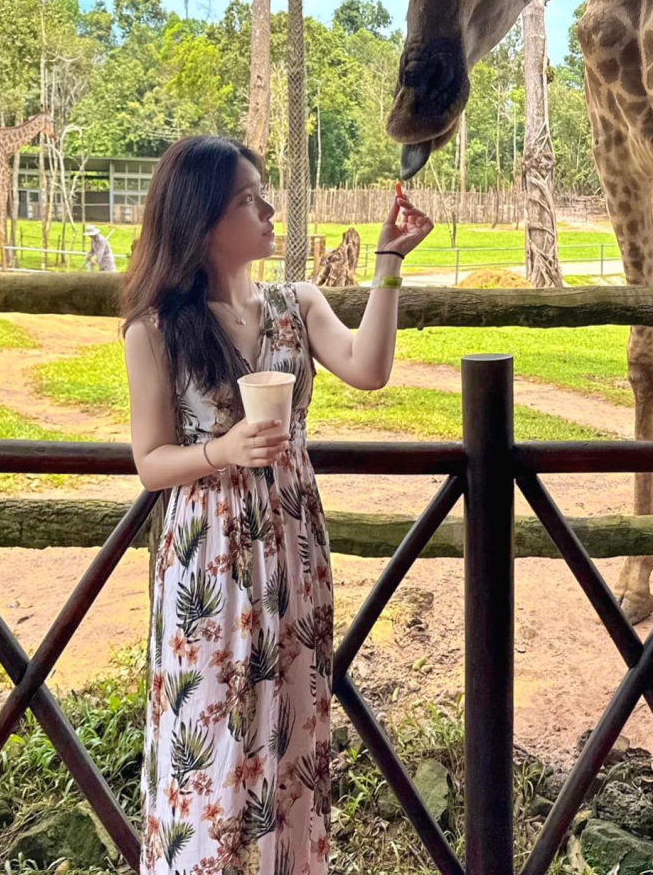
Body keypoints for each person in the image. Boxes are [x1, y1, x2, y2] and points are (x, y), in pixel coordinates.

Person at [122, 136, 432, 875]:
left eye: (263, 194)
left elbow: (369, 368)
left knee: (289, 739)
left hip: (292, 546)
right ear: (202, 220)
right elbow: (150, 462)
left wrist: (389, 263)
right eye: (247, 199)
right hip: (209, 564)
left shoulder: (297, 304)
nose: (268, 210)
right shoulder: (156, 329)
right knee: (209, 740)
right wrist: (222, 451)